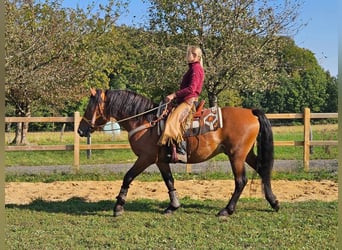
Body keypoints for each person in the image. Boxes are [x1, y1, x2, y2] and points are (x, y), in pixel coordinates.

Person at [158, 46, 205, 163]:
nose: (186, 56)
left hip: (189, 102)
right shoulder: (192, 68)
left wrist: (174, 95)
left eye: (188, 53)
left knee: (172, 122)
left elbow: (191, 89)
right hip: (184, 100)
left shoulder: (196, 69)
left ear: (194, 56)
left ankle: (181, 151)